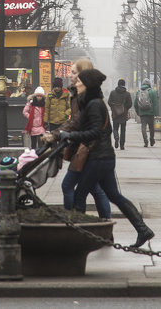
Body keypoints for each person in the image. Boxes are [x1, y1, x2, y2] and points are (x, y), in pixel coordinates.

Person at [59, 68, 154, 248]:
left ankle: (79, 239)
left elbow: (95, 132)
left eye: (79, 82)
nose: (76, 84)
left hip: (98, 158)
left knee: (80, 195)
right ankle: (142, 229)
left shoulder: (94, 104)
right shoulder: (93, 102)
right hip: (105, 157)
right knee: (114, 195)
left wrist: (70, 136)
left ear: (87, 85)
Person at [42, 58, 111, 220]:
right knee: (98, 190)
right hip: (87, 149)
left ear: (84, 76)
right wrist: (57, 133)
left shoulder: (88, 100)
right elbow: (73, 122)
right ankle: (100, 222)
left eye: (73, 73)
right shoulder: (78, 96)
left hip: (89, 150)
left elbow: (76, 123)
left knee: (72, 186)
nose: (70, 76)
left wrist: (56, 135)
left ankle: (75, 221)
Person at [107, 78, 132, 150]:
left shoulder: (113, 93)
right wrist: (125, 108)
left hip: (115, 113)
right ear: (124, 85)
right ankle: (122, 145)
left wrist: (114, 107)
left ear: (118, 84)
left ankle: (116, 137)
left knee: (115, 128)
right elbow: (130, 104)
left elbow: (109, 102)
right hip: (123, 114)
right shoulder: (127, 94)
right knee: (123, 130)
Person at [134, 77, 159, 147]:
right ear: (149, 84)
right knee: (151, 127)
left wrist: (137, 111)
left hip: (142, 113)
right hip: (150, 113)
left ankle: (145, 141)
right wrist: (156, 113)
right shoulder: (153, 91)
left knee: (143, 127)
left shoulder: (138, 92)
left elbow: (135, 103)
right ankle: (152, 140)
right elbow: (155, 104)